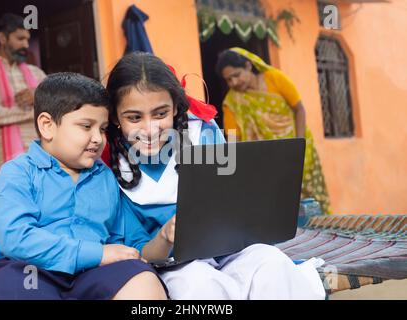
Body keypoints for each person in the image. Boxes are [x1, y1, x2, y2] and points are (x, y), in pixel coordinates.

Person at [106, 52, 326, 300]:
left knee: (271, 264)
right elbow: (142, 254)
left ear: (176, 107)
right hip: (174, 267)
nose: (150, 128)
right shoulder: (111, 168)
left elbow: (237, 203)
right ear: (115, 116)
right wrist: (165, 236)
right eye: (134, 117)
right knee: (197, 285)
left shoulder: (202, 134)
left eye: (160, 114)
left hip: (232, 252)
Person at [0, 73, 167, 300]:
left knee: (141, 279)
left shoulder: (105, 178)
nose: (98, 138)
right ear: (47, 126)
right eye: (86, 126)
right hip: (29, 270)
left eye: (101, 129)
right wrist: (95, 253)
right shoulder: (19, 172)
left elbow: (129, 243)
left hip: (90, 274)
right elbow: (15, 236)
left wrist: (164, 237)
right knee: (14, 289)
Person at [216, 47, 331, 214]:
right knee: (280, 207)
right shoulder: (232, 102)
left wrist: (299, 146)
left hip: (299, 148)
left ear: (248, 66)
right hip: (266, 162)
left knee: (311, 200)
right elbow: (233, 140)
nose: (233, 83)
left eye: (236, 75)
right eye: (228, 80)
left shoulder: (275, 78)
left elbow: (299, 109)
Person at [0, 13, 47, 195]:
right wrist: (35, 112)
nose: (26, 44)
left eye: (27, 39)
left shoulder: (37, 74)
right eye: (20, 38)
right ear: (2, 38)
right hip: (1, 165)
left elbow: (58, 109)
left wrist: (38, 96)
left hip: (40, 161)